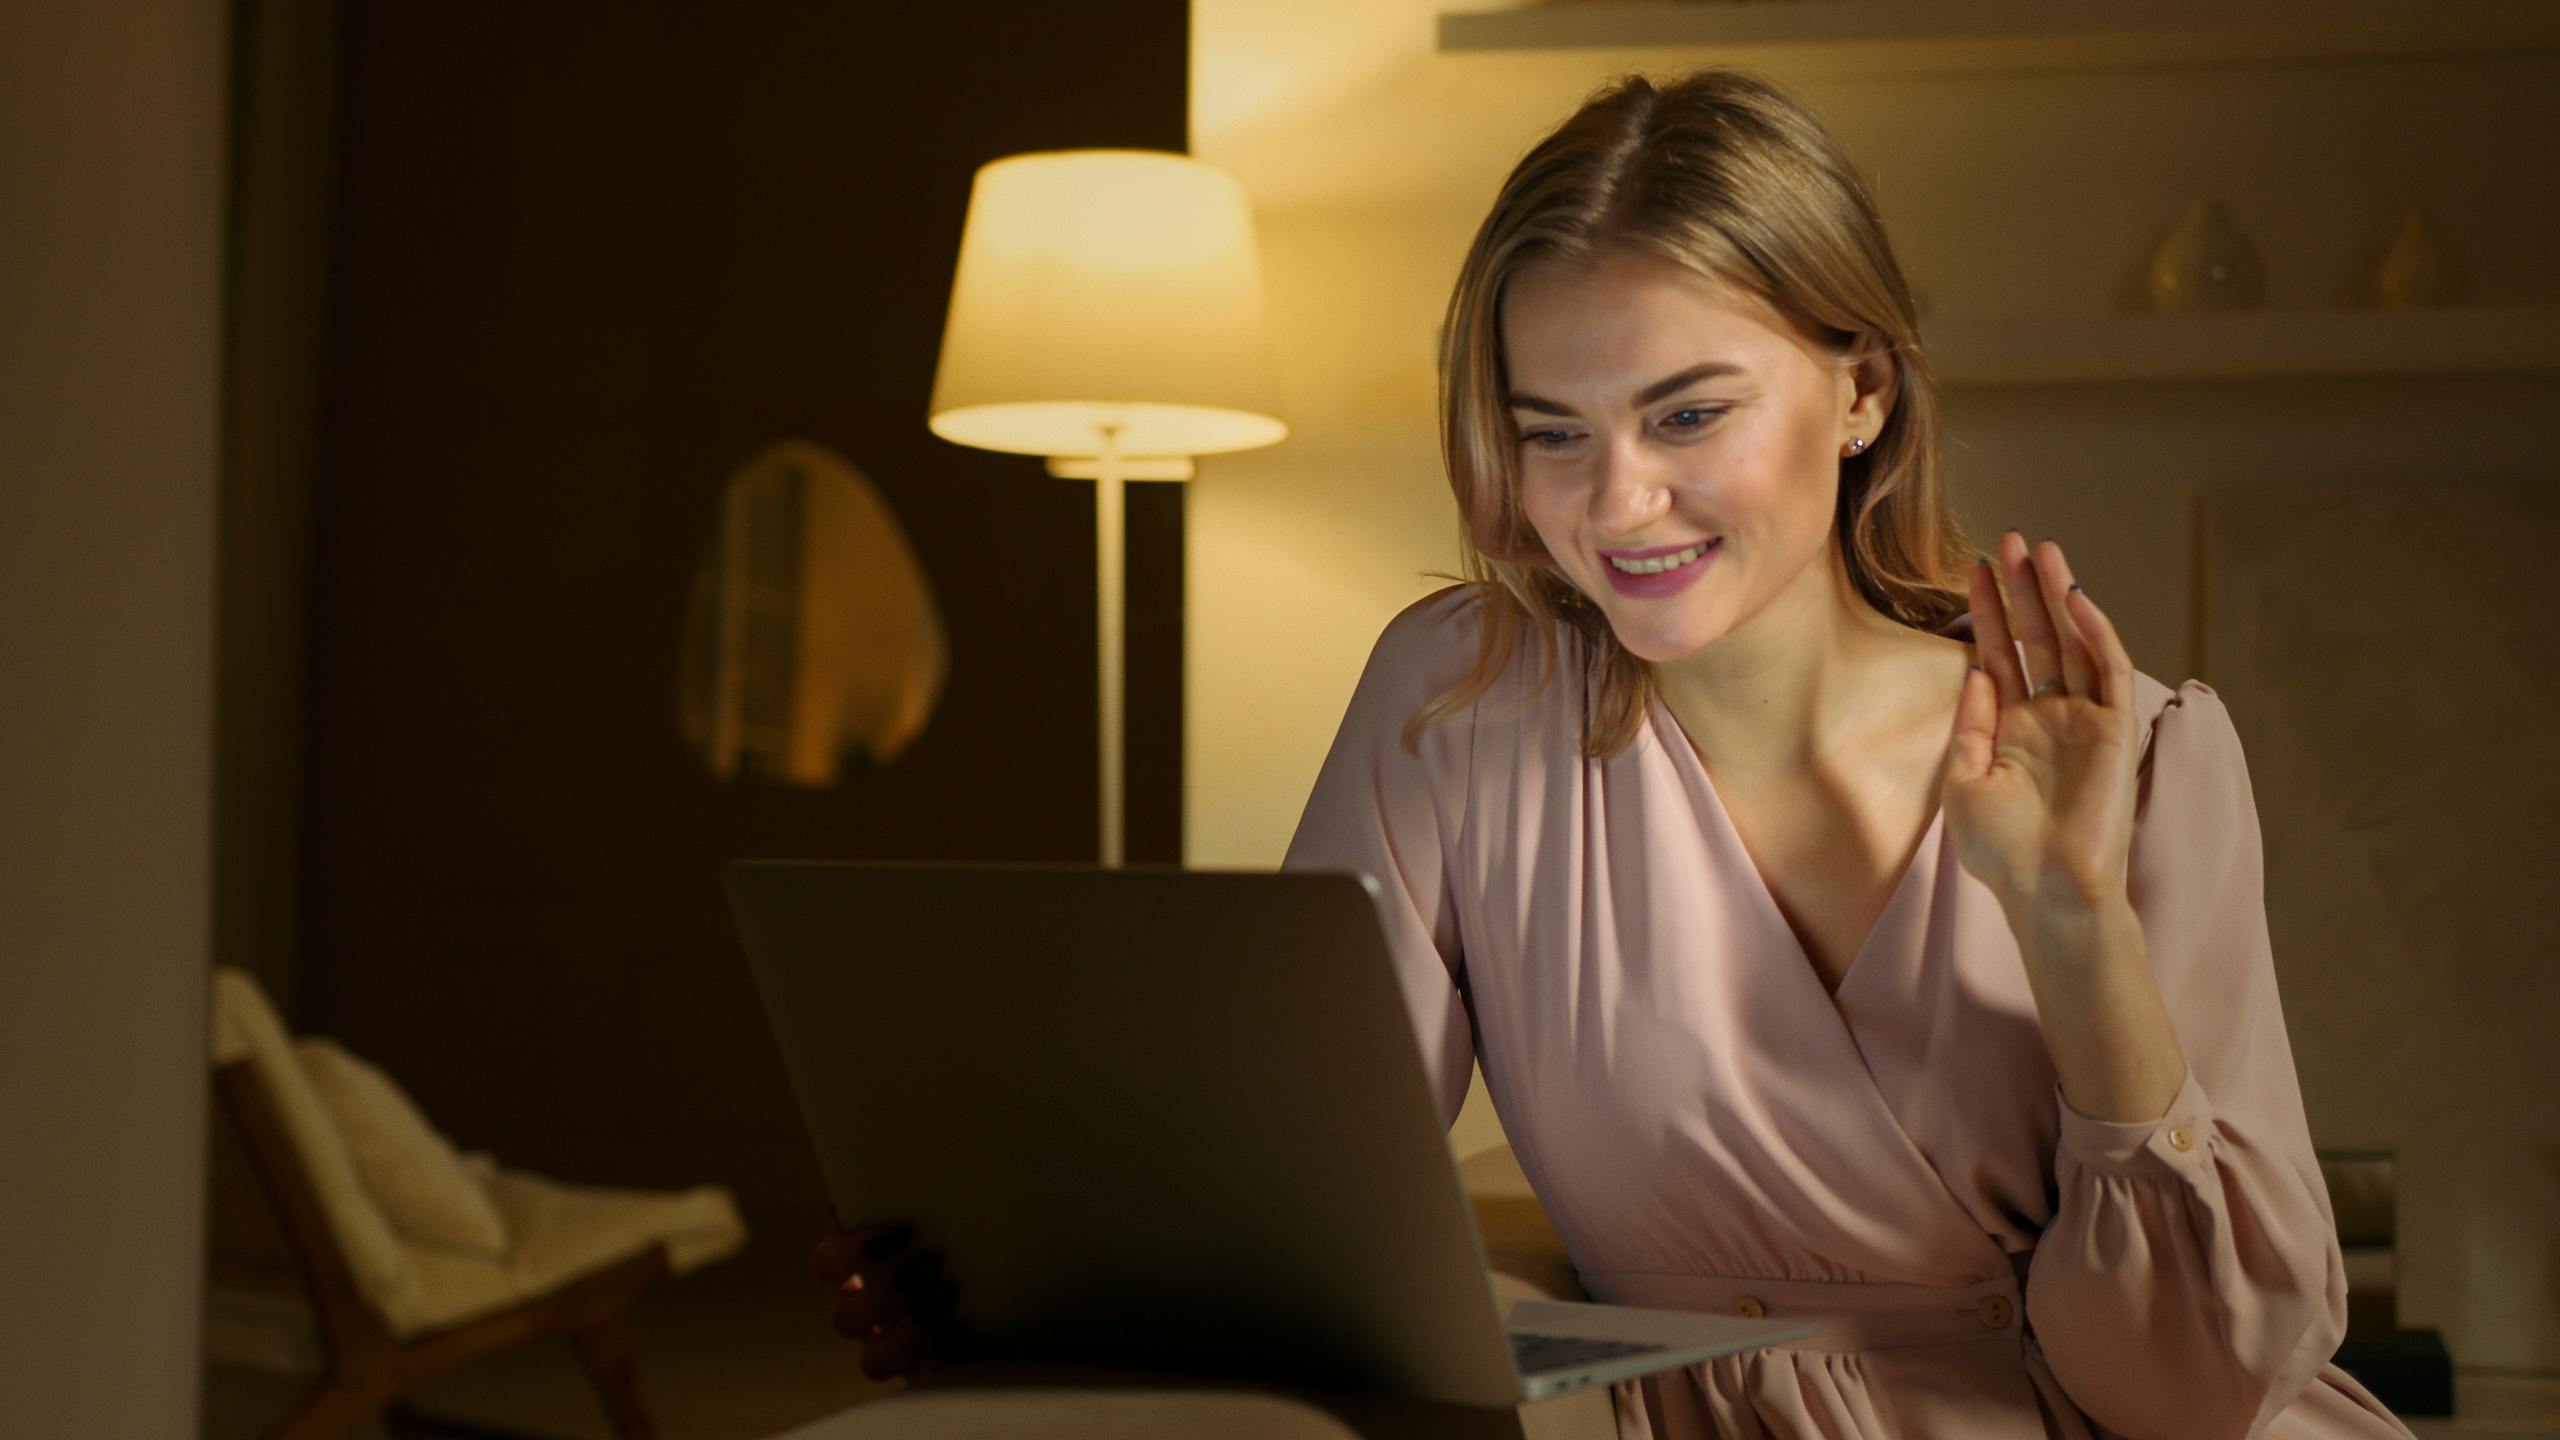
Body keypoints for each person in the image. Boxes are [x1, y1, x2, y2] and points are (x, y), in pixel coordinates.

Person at [816, 67, 2415, 1438]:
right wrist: (1026, 1305)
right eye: (1553, 430)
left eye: (1689, 415)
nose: (1615, 503)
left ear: (1861, 390)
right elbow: (1288, 1218)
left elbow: (2195, 1398)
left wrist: (2071, 923)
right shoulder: (1458, 708)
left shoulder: (2139, 760)